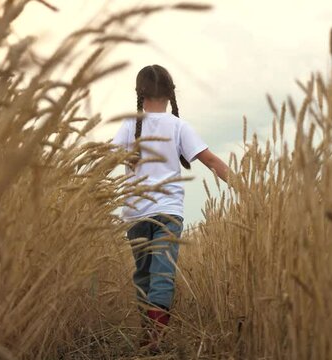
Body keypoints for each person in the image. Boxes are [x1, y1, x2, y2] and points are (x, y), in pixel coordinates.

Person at [111, 64, 229, 350]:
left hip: (135, 213)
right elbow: (211, 161)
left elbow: (104, 161)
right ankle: (153, 338)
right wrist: (247, 186)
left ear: (139, 93)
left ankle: (149, 338)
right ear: (170, 94)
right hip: (168, 213)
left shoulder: (128, 126)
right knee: (162, 273)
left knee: (143, 275)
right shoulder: (178, 126)